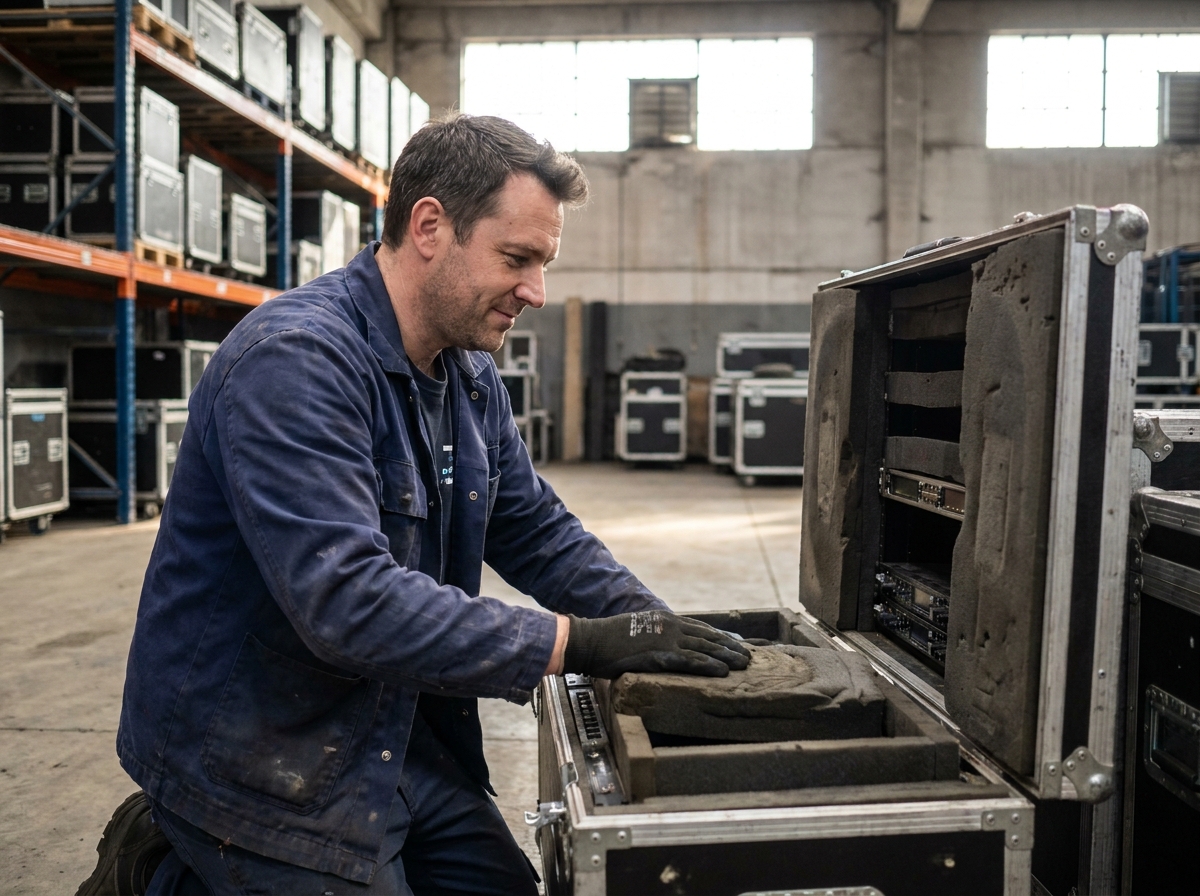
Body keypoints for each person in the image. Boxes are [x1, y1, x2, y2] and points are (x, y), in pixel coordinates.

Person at [77, 113, 749, 896]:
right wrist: (578, 643)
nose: (536, 291)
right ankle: (164, 870)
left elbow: (533, 528)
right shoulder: (295, 361)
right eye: (517, 258)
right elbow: (347, 602)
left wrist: (651, 630)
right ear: (430, 225)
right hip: (259, 757)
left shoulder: (466, 375)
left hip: (391, 732)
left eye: (543, 263)